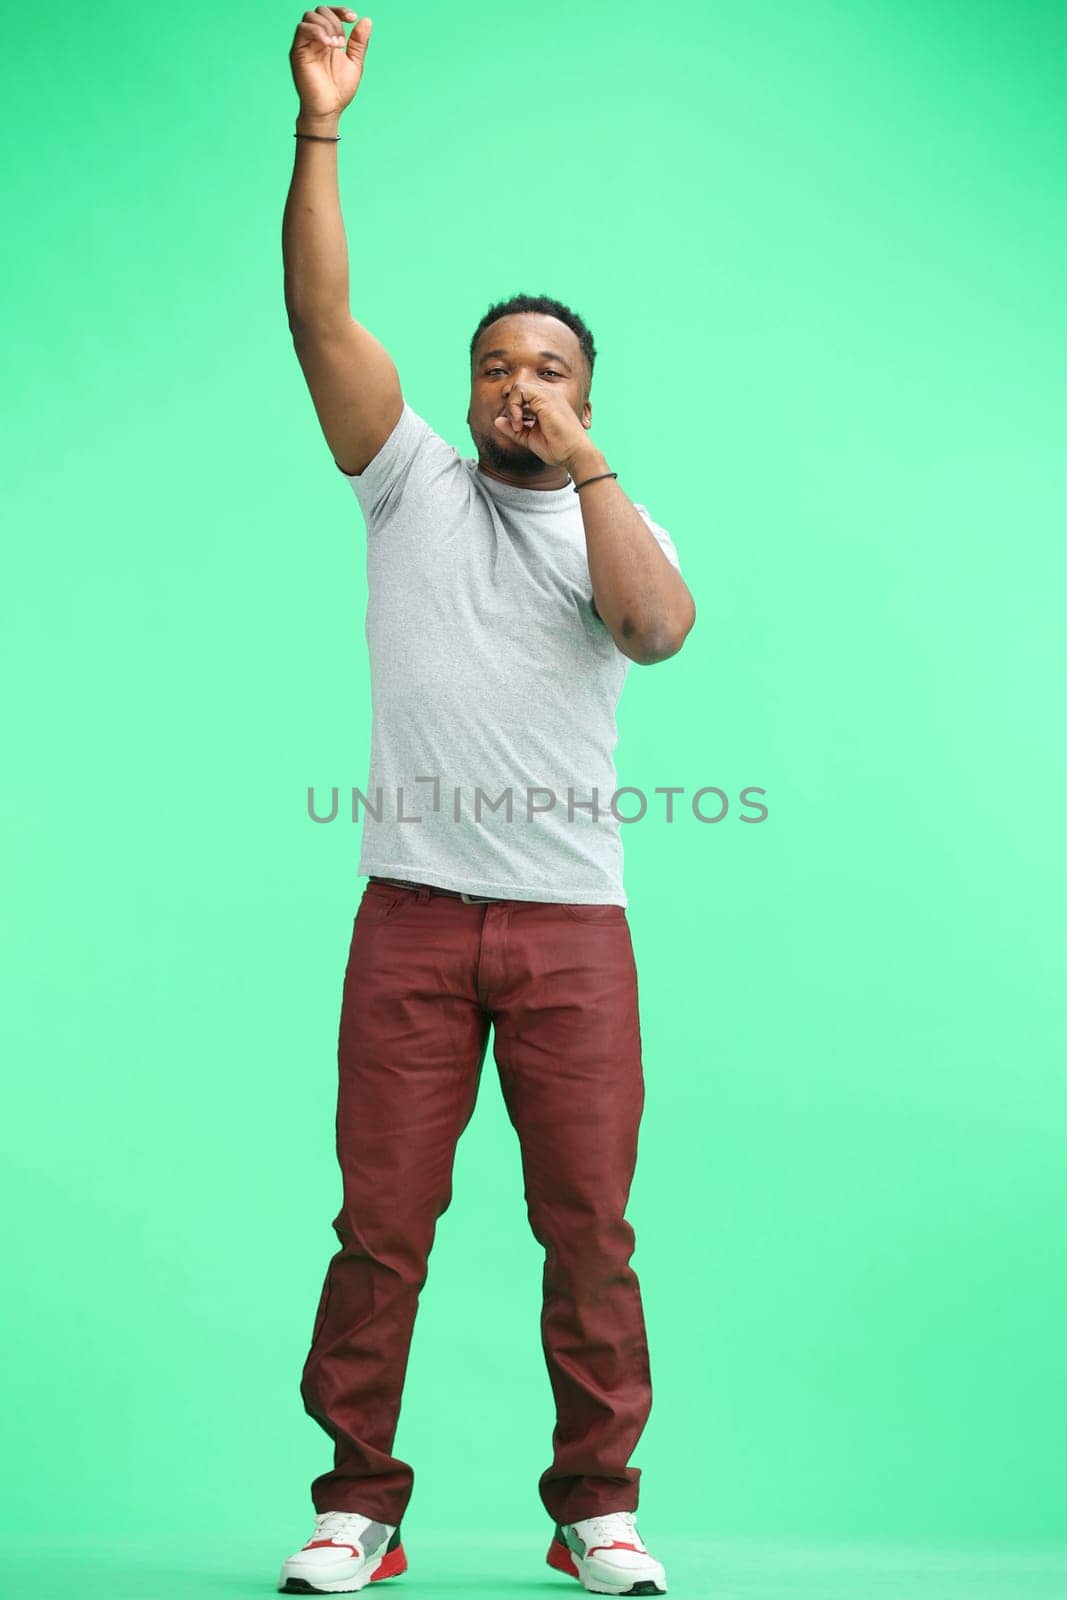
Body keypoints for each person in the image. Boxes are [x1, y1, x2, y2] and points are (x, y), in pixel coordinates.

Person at [278, 8, 696, 1595]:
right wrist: (323, 126)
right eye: (498, 367)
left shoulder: (614, 520)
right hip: (410, 916)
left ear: (586, 394)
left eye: (552, 370)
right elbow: (323, 325)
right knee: (381, 1227)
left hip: (575, 930)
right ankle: (358, 1508)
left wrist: (589, 459)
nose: (519, 386)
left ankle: (596, 1507)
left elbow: (656, 632)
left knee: (588, 1231)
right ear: (462, 390)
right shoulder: (410, 487)